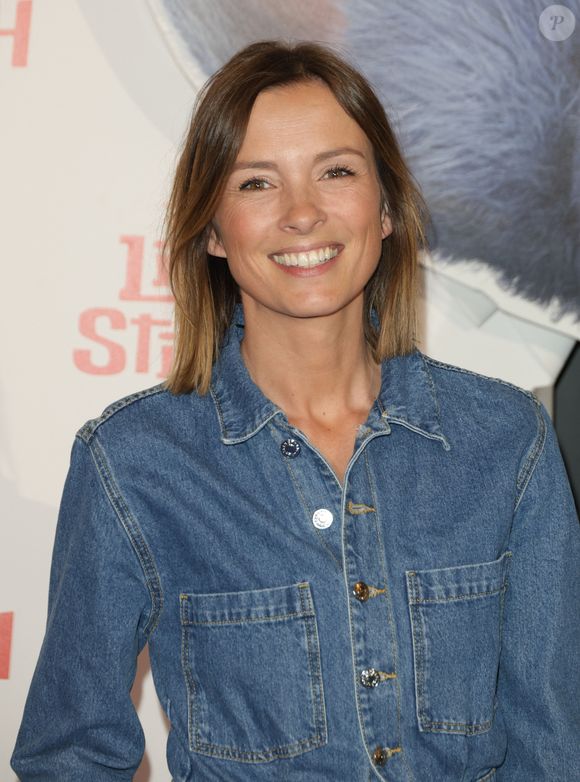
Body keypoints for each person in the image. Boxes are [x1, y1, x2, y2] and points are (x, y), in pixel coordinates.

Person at [11, 40, 580, 782]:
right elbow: (69, 753)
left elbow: (553, 750)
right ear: (213, 231)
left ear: (385, 210)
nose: (303, 214)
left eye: (337, 172)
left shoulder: (507, 443)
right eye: (256, 184)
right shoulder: (135, 462)